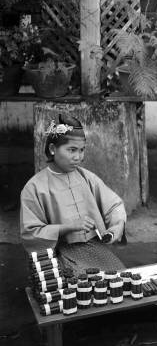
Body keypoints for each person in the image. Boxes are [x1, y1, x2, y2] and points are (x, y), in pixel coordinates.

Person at [20, 114, 126, 270]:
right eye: (72, 150)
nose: (78, 157)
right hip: (57, 251)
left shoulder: (86, 177)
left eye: (82, 150)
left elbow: (114, 206)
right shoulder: (34, 187)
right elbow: (30, 233)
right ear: (52, 149)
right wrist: (67, 226)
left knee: (119, 279)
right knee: (78, 288)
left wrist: (114, 229)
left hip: (92, 247)